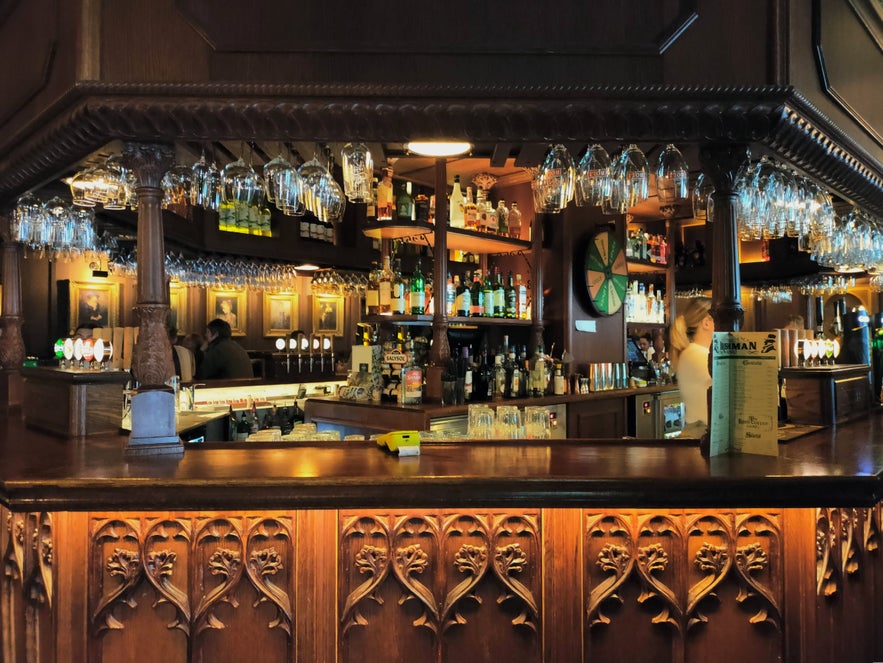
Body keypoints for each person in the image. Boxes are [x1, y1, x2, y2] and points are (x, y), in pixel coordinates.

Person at [670, 297, 714, 438]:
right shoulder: (697, 355)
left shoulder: (693, 353)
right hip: (699, 436)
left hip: (698, 434)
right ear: (706, 323)